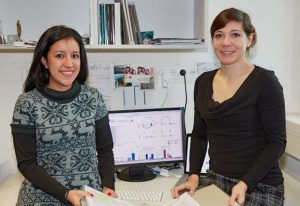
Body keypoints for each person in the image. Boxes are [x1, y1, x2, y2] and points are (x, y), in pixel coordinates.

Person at [171, 7, 286, 206]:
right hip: (216, 180)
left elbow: (277, 142)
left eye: (235, 34)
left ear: (250, 39)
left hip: (259, 184)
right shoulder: (203, 82)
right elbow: (199, 135)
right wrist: (193, 176)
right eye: (219, 35)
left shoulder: (266, 82)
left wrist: (245, 184)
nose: (226, 43)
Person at [11, 25, 116, 206]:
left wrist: (108, 185)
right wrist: (65, 194)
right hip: (41, 199)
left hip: (88, 197)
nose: (69, 63)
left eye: (75, 56)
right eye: (59, 56)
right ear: (44, 60)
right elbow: (27, 163)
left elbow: (105, 149)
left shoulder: (93, 97)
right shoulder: (27, 103)